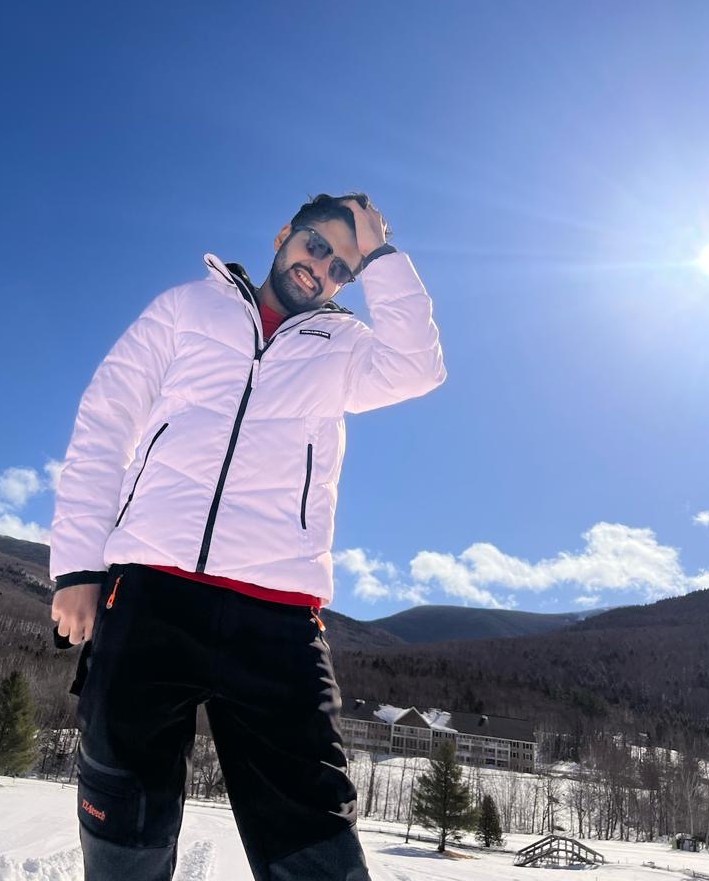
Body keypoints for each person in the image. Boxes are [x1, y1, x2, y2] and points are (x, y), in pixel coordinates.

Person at [49, 193, 446, 881]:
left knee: (314, 832)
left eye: (342, 267)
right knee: (123, 810)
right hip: (151, 595)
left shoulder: (347, 347)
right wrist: (80, 566)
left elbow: (420, 366)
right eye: (315, 244)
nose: (321, 268)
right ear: (283, 233)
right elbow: (105, 421)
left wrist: (380, 255)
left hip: (277, 619)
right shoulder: (186, 308)